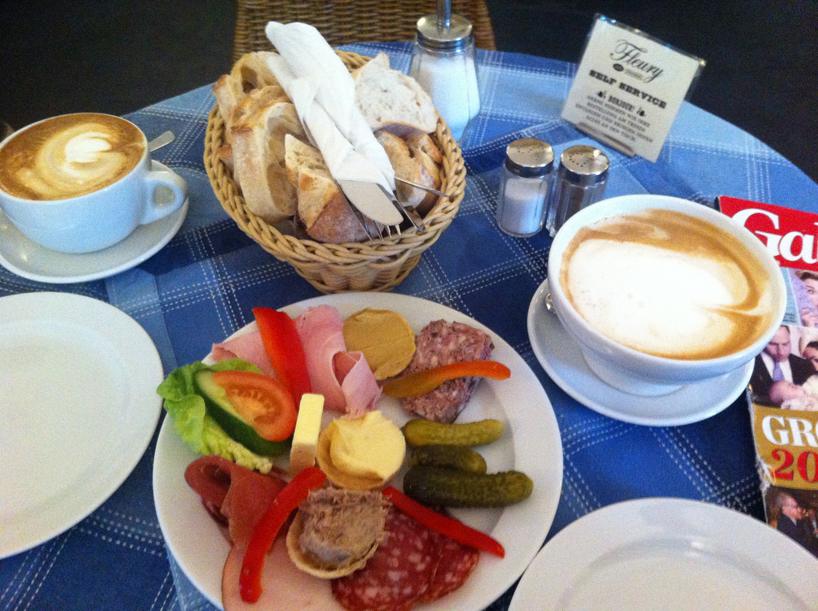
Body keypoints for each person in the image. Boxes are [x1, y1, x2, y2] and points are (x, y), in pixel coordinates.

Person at [750, 325, 815, 405]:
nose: (781, 351)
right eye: (773, 344)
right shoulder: (750, 366)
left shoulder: (805, 365)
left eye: (785, 344)